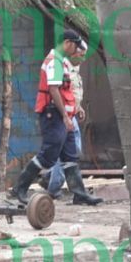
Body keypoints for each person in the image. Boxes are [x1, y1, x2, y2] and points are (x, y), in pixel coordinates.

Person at [11, 30, 103, 206]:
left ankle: (79, 193)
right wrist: (65, 117)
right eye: (75, 46)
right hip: (53, 115)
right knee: (48, 155)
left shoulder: (63, 61)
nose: (76, 50)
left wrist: (74, 109)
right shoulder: (55, 62)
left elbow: (65, 90)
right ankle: (20, 189)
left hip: (63, 115)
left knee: (70, 156)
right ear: (68, 42)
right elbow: (54, 90)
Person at [44, 38, 87, 198]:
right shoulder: (60, 65)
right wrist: (64, 116)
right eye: (80, 55)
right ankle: (55, 187)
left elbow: (71, 93)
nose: (82, 59)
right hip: (62, 116)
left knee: (69, 152)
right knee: (68, 152)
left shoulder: (73, 68)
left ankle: (50, 179)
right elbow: (56, 91)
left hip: (70, 114)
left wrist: (78, 107)